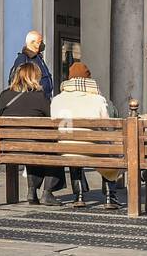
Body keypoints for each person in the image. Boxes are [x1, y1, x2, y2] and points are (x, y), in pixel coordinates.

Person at [51, 61, 121, 208]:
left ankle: (79, 195)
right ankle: (110, 196)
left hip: (65, 149)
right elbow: (106, 126)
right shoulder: (97, 99)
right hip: (90, 149)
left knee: (73, 146)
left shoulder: (56, 99)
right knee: (110, 148)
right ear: (88, 80)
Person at [0, 61, 62, 205]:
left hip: (7, 148)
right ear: (35, 77)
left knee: (33, 145)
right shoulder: (40, 97)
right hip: (32, 147)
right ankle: (47, 192)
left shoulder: (4, 95)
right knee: (51, 147)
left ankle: (32, 191)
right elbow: (51, 122)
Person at [8, 30, 53, 100]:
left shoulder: (39, 58)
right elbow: (16, 81)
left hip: (44, 99)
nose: (42, 44)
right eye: (40, 42)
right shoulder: (23, 58)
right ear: (32, 43)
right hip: (33, 99)